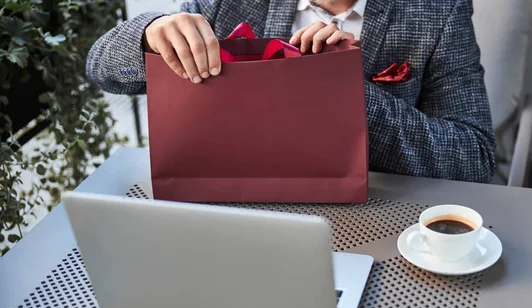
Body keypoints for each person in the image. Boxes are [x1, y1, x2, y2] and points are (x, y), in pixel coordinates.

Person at [87, 0, 496, 183]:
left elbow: (474, 157)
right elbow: (104, 70)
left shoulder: (438, 10)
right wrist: (149, 32)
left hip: (372, 213)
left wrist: (347, 98)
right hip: (234, 205)